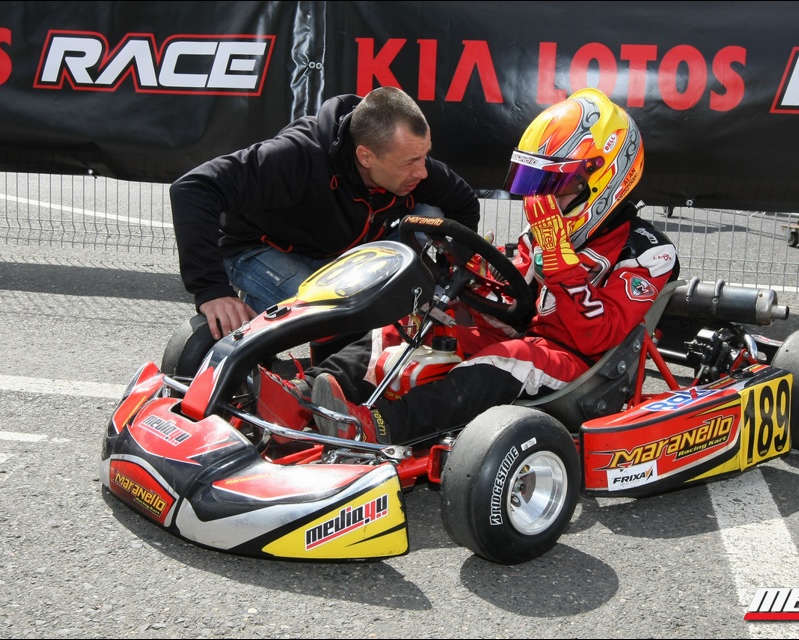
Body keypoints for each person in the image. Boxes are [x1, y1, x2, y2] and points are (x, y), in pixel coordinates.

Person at [275, 88, 679, 444]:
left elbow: (597, 339)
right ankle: (300, 396)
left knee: (507, 359)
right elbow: (516, 308)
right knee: (414, 327)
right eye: (536, 183)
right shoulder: (545, 232)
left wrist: (560, 265)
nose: (539, 198)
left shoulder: (648, 253)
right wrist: (467, 285)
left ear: (603, 181)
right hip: (527, 341)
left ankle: (380, 426)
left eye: (553, 186)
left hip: (582, 369)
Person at [169, 86, 482, 352]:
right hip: (261, 249)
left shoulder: (408, 161)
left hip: (339, 253)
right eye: (411, 162)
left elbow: (464, 205)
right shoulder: (296, 156)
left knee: (431, 216)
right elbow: (194, 188)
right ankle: (264, 323)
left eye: (425, 155)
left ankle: (335, 325)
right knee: (349, 318)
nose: (423, 171)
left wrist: (446, 275)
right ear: (365, 156)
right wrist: (211, 290)